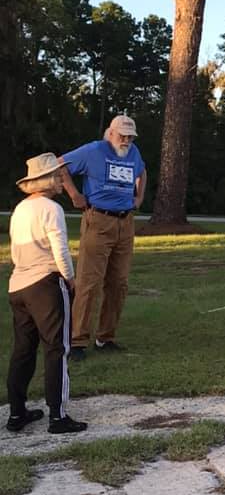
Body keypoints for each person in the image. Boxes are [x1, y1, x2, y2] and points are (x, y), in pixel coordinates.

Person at [7, 153, 88, 434]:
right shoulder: (51, 209)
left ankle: (16, 413)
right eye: (58, 175)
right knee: (57, 348)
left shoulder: (20, 209)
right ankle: (58, 416)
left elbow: (16, 248)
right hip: (45, 282)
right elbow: (60, 249)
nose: (61, 180)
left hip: (18, 285)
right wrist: (70, 278)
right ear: (47, 179)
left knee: (23, 350)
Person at [60, 115, 147, 361]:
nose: (126, 140)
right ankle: (77, 340)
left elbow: (142, 172)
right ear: (110, 133)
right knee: (89, 282)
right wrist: (74, 194)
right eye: (122, 135)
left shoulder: (133, 152)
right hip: (98, 220)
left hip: (125, 223)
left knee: (118, 283)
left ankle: (105, 337)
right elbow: (59, 164)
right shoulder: (93, 150)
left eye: (130, 136)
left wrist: (138, 199)